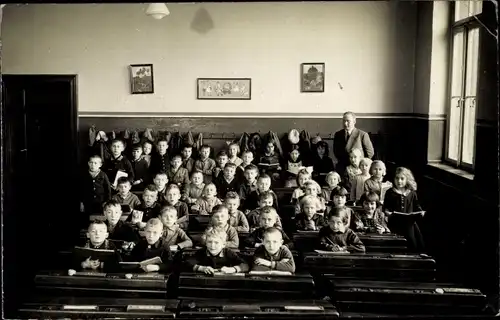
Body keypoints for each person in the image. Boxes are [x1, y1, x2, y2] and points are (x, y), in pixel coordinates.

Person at [383, 167, 426, 252]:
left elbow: (416, 206)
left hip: (409, 223)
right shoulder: (390, 193)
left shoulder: (412, 193)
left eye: (402, 179)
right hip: (395, 222)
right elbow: (386, 208)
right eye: (397, 178)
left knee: (413, 240)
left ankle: (412, 255)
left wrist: (421, 212)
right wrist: (388, 213)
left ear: (407, 179)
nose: (399, 181)